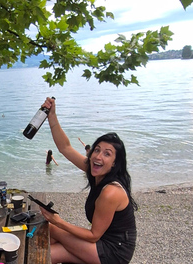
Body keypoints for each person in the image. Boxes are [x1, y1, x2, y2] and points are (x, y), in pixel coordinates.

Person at [39, 97, 137, 264]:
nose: (98, 156)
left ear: (115, 164)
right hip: (100, 244)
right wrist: (52, 116)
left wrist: (59, 222)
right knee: (49, 252)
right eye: (97, 150)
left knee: (52, 229)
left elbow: (93, 235)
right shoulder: (96, 172)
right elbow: (65, 148)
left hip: (114, 252)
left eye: (107, 153)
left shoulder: (111, 192)